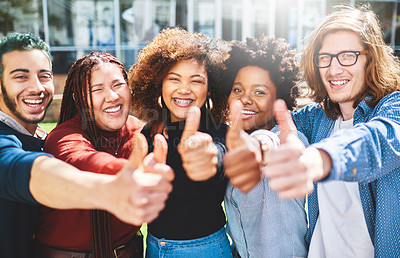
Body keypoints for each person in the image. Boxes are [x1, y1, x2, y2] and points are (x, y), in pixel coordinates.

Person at [0, 32, 173, 257]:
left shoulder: (138, 129)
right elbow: (62, 161)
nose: (37, 87)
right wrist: (113, 182)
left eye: (44, 75)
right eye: (20, 77)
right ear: (79, 96)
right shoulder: (61, 137)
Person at [264, 5, 400, 257]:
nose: (334, 69)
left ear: (370, 58)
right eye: (325, 57)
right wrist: (259, 144)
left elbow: (379, 140)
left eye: (348, 55)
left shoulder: (394, 107)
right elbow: (277, 131)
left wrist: (319, 159)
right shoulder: (318, 117)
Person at [129, 27, 231, 257]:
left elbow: (218, 156)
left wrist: (210, 157)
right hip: (154, 247)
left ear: (210, 89)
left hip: (204, 250)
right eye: (174, 79)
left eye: (196, 81)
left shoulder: (220, 135)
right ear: (159, 84)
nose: (184, 89)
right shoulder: (149, 132)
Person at [222, 36, 308, 258]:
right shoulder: (231, 141)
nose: (246, 100)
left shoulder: (290, 141)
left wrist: (261, 146)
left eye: (259, 92)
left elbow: (269, 144)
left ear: (279, 99)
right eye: (238, 90)